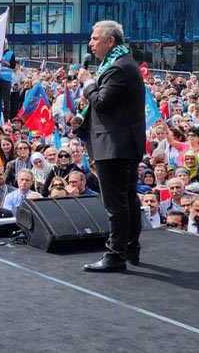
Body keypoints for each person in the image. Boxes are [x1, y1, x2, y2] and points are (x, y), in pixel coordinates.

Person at [75, 20, 146, 272]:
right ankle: (129, 247)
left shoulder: (119, 68)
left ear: (110, 41)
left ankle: (116, 254)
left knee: (116, 203)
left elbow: (102, 102)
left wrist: (87, 83)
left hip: (115, 145)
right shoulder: (121, 64)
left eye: (95, 39)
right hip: (122, 143)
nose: (91, 44)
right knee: (127, 198)